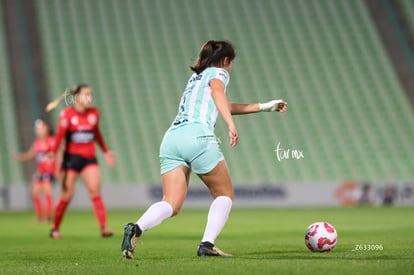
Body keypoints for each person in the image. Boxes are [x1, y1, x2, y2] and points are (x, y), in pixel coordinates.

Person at [121, 40, 288, 258]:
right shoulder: (219, 73)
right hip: (198, 136)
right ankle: (207, 244)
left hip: (172, 137)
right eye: (231, 63)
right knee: (224, 194)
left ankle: (136, 228)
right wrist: (230, 125)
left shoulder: (195, 79)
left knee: (170, 202)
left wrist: (265, 106)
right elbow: (218, 93)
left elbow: (222, 104)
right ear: (226, 61)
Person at [48, 84, 116, 239]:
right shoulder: (67, 114)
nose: (89, 97)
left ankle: (104, 228)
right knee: (66, 196)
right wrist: (53, 153)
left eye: (90, 94)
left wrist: (106, 151)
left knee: (95, 191)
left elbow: (97, 133)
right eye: (86, 94)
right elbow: (59, 136)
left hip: (89, 159)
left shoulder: (94, 113)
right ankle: (55, 228)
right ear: (76, 97)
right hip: (71, 159)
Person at [13, 119, 57, 222]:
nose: (39, 130)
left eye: (41, 128)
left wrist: (56, 166)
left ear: (47, 129)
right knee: (35, 193)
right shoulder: (36, 143)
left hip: (49, 171)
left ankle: (49, 216)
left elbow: (57, 153)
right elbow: (30, 155)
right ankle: (40, 216)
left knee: (47, 192)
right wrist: (19, 156)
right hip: (40, 171)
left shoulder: (51, 140)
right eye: (37, 128)